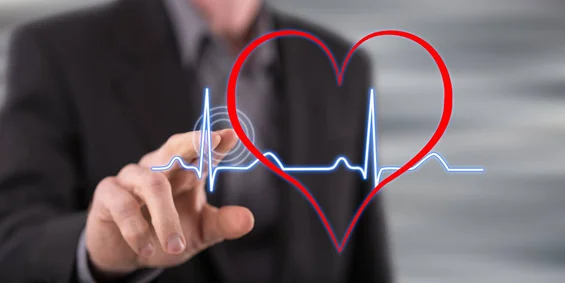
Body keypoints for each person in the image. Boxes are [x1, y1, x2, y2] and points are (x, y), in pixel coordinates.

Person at [0, 0, 392, 282]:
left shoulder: (340, 66)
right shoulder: (56, 52)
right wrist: (94, 254)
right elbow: (12, 245)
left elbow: (365, 258)